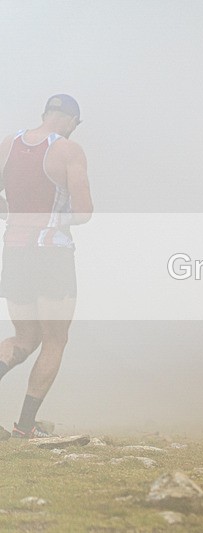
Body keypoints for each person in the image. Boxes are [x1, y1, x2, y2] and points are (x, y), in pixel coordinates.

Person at [0, 94, 92, 438]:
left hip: (15, 249)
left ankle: (25, 426)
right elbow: (83, 213)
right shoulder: (68, 150)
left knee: (24, 335)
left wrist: (15, 214)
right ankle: (25, 427)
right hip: (51, 254)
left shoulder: (8, 144)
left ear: (45, 114)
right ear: (70, 120)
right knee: (55, 339)